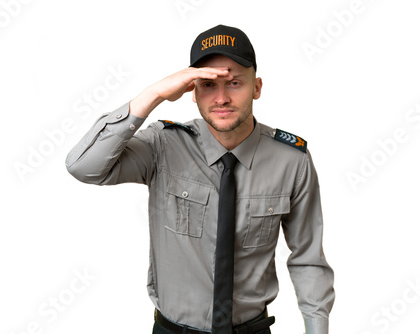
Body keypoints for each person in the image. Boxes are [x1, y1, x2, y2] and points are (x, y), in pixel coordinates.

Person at [66, 24, 335, 334]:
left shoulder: (292, 160)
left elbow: (307, 259)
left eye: (235, 83)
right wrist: (152, 95)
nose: (221, 98)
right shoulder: (163, 146)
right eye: (207, 85)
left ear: (257, 88)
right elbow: (83, 166)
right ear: (191, 91)